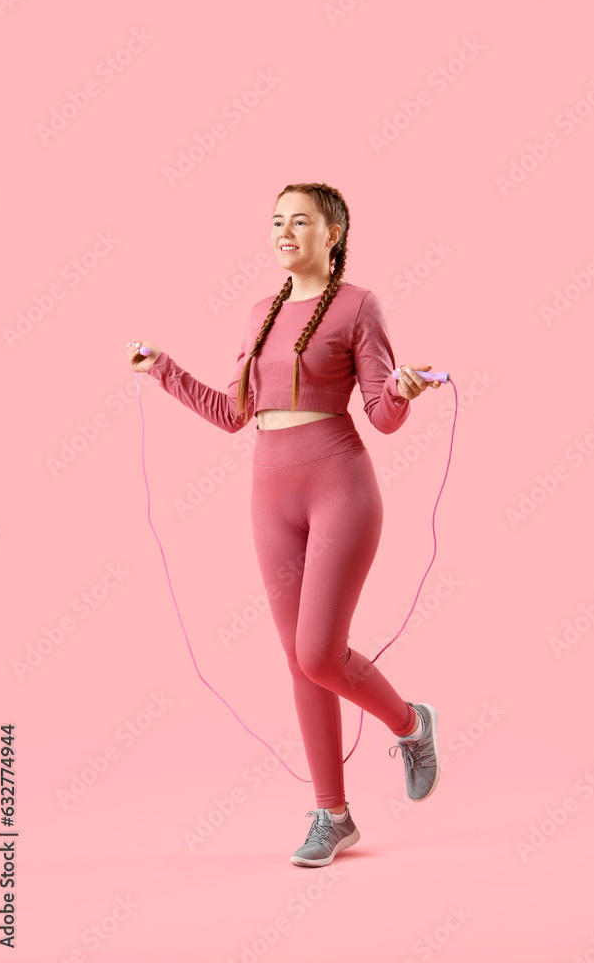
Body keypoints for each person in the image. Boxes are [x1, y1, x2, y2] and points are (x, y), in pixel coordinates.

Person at [126, 182, 442, 867]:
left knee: (319, 652)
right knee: (299, 663)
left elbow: (381, 417)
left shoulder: (360, 305)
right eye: (276, 221)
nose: (284, 231)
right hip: (269, 490)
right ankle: (334, 815)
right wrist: (164, 371)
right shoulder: (258, 313)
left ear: (333, 234)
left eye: (300, 221)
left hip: (339, 484)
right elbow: (232, 413)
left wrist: (401, 391)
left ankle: (411, 724)